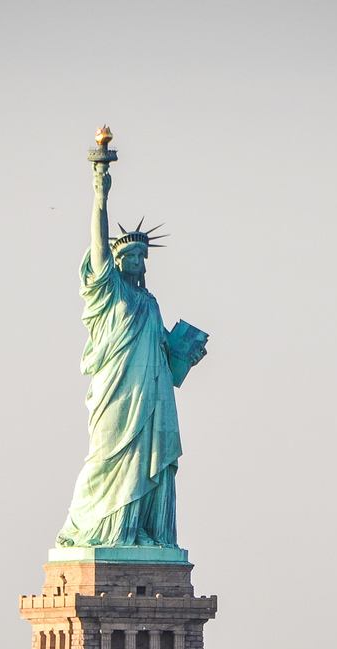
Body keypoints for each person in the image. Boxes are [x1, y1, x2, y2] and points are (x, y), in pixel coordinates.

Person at [55, 159, 205, 549]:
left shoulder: (150, 303)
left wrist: (185, 355)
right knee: (106, 457)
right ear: (117, 262)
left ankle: (139, 529)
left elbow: (165, 359)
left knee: (146, 460)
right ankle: (94, 528)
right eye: (129, 257)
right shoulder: (109, 295)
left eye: (141, 258)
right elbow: (98, 249)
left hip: (153, 395)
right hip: (117, 393)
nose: (136, 263)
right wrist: (100, 195)